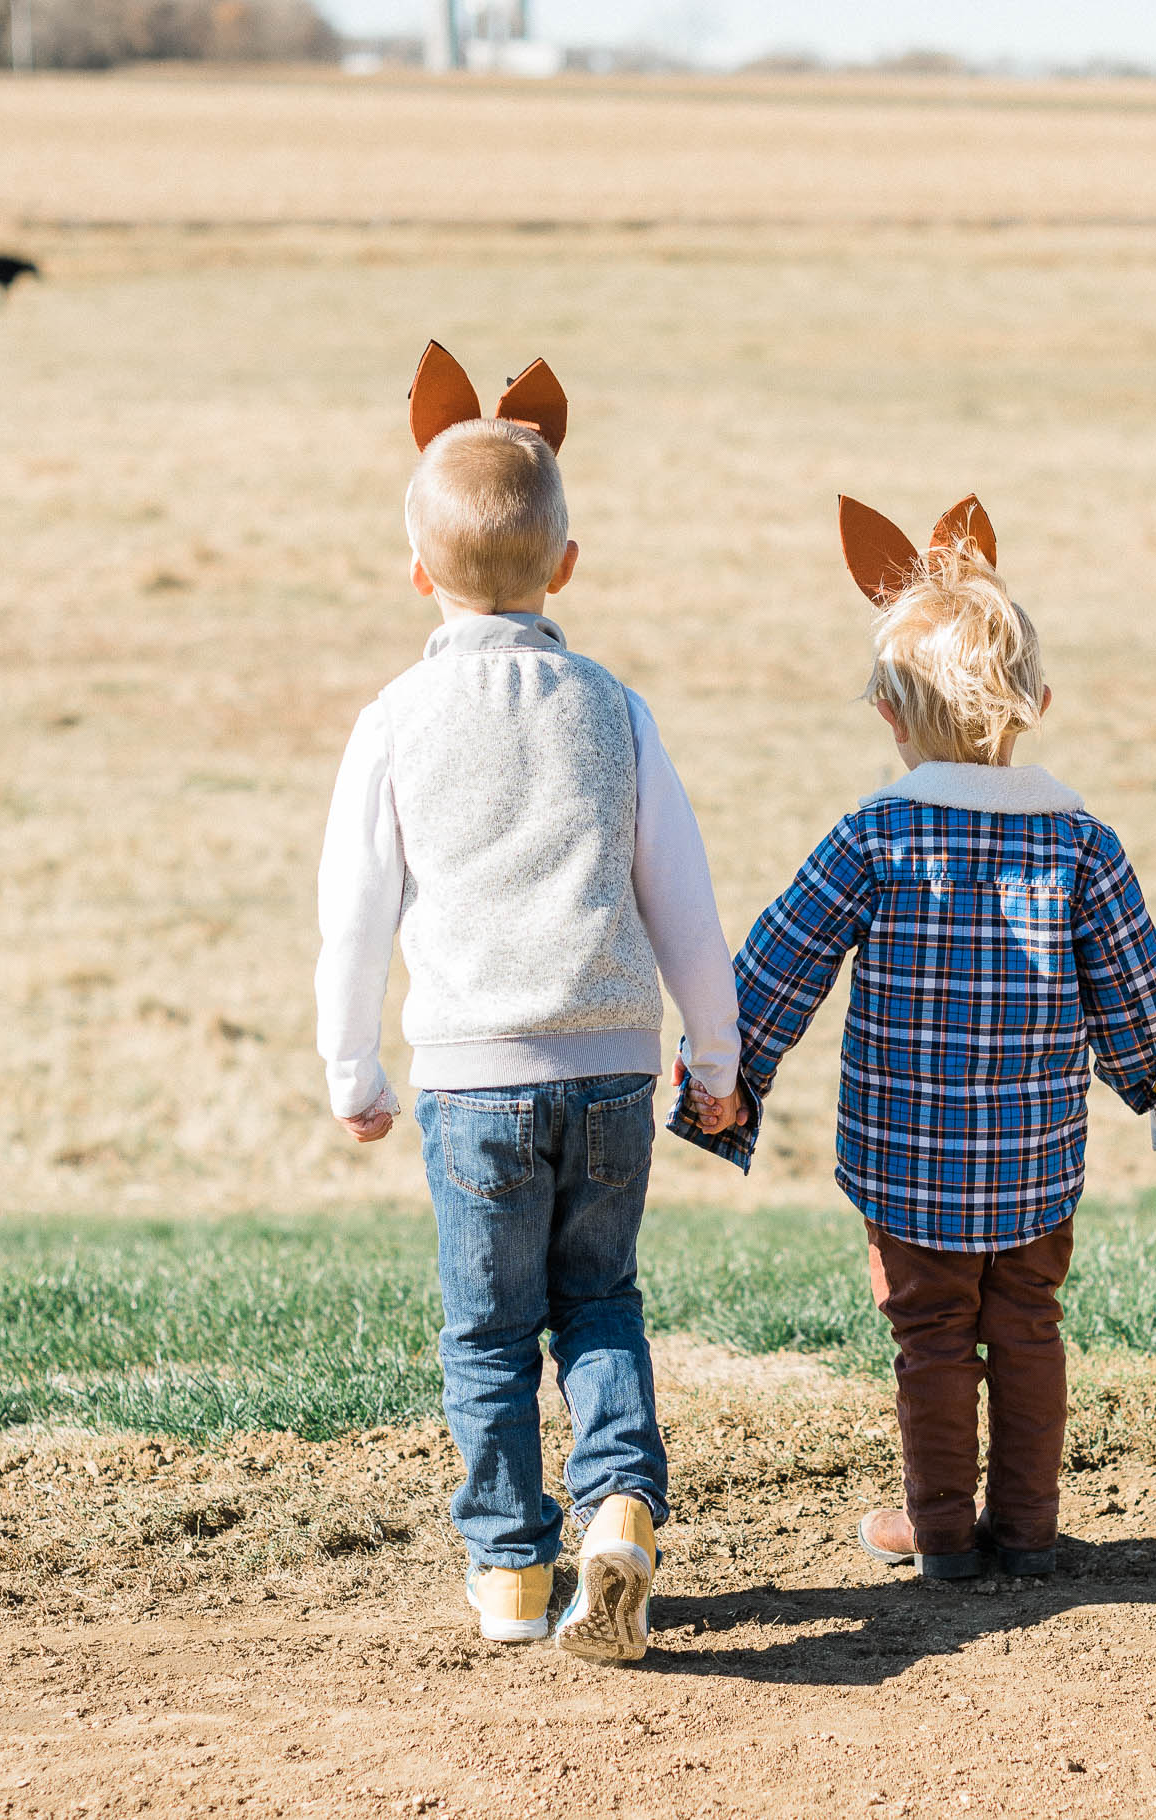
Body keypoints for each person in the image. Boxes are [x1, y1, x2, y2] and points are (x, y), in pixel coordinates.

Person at [678, 493, 1156, 1580]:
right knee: (1026, 1331)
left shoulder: (875, 833)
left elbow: (780, 961)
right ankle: (1026, 1526)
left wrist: (721, 1078)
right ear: (1037, 703)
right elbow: (1134, 992)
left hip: (905, 1166)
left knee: (928, 1343)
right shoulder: (1081, 843)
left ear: (886, 710)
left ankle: (942, 1533)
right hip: (1033, 1170)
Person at [314, 343, 741, 1659]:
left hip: (470, 1075)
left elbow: (355, 910)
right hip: (611, 1060)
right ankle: (619, 1508)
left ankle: (509, 1573)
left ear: (415, 574)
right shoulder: (611, 708)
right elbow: (682, 895)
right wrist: (713, 1058)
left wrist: (353, 1071)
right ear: (565, 565)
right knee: (598, 1304)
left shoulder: (393, 717)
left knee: (488, 1332)